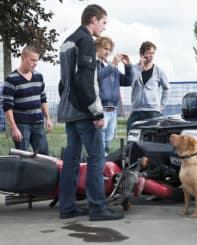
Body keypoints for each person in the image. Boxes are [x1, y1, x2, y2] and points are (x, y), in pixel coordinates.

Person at [57, 4, 123, 221]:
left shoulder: (68, 42)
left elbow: (63, 83)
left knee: (71, 160)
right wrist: (96, 112)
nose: (104, 28)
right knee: (97, 157)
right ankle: (97, 208)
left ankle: (66, 208)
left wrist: (69, 103)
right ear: (93, 19)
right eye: (103, 23)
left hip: (69, 110)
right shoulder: (86, 41)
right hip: (83, 110)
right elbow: (85, 82)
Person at [2, 45, 52, 155]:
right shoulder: (11, 79)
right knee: (22, 158)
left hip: (38, 123)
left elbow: (43, 99)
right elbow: (7, 106)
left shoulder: (39, 77)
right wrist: (14, 128)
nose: (35, 63)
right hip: (21, 125)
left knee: (44, 156)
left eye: (37, 60)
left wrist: (48, 118)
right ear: (23, 58)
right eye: (32, 60)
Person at [95, 36, 133, 156]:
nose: (107, 52)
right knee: (99, 143)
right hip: (101, 109)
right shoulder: (95, 64)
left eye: (109, 50)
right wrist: (112, 65)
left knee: (107, 141)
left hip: (113, 110)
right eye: (105, 48)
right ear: (97, 48)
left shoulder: (113, 67)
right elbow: (97, 77)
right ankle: (99, 168)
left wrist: (128, 66)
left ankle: (102, 166)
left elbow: (127, 81)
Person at [126, 41, 169, 132]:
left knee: (154, 137)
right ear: (142, 54)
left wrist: (161, 106)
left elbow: (166, 89)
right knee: (131, 135)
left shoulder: (159, 71)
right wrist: (139, 67)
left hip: (153, 111)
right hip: (136, 110)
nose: (151, 55)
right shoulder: (134, 69)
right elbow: (132, 82)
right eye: (149, 53)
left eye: (153, 53)